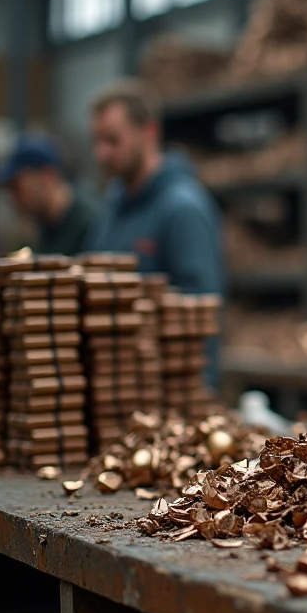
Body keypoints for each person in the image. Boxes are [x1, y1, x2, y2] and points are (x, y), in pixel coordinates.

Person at [85, 79, 224, 387]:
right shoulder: (111, 210)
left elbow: (202, 319)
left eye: (112, 140)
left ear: (148, 133)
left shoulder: (182, 209)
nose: (101, 154)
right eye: (96, 142)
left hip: (167, 393)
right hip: (114, 388)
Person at [0, 134, 96, 255]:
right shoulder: (46, 226)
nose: (13, 198)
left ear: (48, 176)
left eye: (17, 187)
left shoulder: (89, 226)